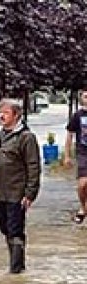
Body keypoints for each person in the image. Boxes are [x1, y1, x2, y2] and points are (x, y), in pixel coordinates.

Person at [0, 98, 40, 274]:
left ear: (16, 115)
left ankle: (16, 270)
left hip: (16, 191)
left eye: (6, 113)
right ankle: (16, 264)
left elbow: (33, 166)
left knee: (15, 230)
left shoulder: (26, 137)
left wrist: (30, 193)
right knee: (5, 228)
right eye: (0, 112)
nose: (1, 116)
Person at [62, 90, 87, 223]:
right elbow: (69, 136)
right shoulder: (77, 115)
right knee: (82, 184)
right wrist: (66, 156)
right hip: (83, 153)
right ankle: (83, 207)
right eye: (85, 96)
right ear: (81, 99)